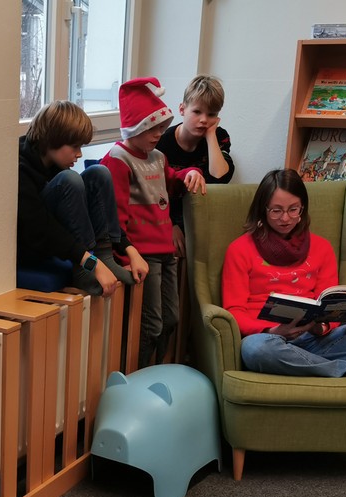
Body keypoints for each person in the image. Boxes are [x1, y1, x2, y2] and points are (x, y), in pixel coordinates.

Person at [100, 77, 206, 369]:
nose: (159, 134)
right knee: (152, 324)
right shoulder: (118, 160)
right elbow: (114, 216)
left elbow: (171, 182)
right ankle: (138, 374)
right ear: (135, 127)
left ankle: (155, 369)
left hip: (165, 251)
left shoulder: (158, 157)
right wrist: (125, 256)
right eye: (151, 128)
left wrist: (190, 173)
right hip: (143, 256)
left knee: (171, 318)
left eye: (161, 127)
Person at [222, 168, 346, 377]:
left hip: (315, 339)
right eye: (276, 210)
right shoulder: (240, 249)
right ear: (263, 209)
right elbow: (234, 310)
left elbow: (329, 305)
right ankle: (343, 369)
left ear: (302, 208)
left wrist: (321, 327)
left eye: (293, 209)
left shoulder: (322, 248)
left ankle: (306, 364)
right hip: (269, 339)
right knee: (256, 350)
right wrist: (272, 331)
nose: (285, 218)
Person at [18, 100, 148, 297]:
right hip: (34, 247)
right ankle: (84, 270)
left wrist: (129, 248)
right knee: (69, 180)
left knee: (98, 173)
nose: (79, 154)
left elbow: (81, 212)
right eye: (75, 147)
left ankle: (105, 255)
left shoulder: (54, 162)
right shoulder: (21, 168)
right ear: (51, 140)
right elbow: (39, 227)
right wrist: (89, 262)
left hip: (63, 244)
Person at [157, 75, 235, 257]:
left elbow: (220, 177)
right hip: (167, 213)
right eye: (197, 112)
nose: (204, 120)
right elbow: (153, 190)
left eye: (211, 114)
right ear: (182, 109)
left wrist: (210, 136)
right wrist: (170, 224)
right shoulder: (162, 143)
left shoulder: (219, 136)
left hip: (202, 212)